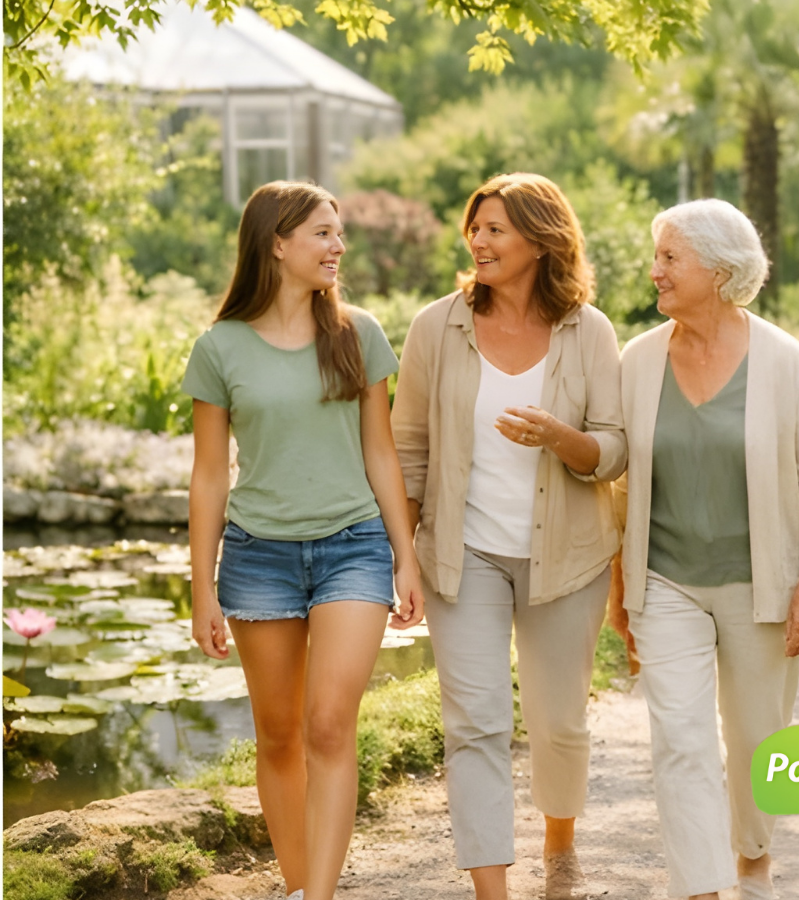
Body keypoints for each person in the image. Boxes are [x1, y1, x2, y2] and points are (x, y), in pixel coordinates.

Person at [185, 180, 425, 900]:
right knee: (281, 734)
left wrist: (404, 555)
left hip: (352, 546)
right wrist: (201, 588)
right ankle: (297, 886)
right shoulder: (219, 348)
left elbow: (381, 454)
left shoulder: (360, 333)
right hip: (259, 556)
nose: (338, 247)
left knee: (328, 724)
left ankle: (318, 897)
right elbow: (207, 479)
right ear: (277, 243)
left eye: (339, 232)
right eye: (323, 233)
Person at [391, 173, 626, 900]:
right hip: (464, 557)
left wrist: (562, 437)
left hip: (569, 557)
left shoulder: (588, 332)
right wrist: (402, 555)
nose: (479, 241)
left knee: (558, 724)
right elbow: (407, 449)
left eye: (497, 228)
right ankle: (492, 889)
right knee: (474, 724)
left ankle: (560, 841)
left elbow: (614, 448)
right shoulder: (437, 326)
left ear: (541, 241)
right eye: (476, 227)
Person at [609, 198, 799, 900]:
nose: (655, 271)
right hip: (667, 582)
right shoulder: (638, 361)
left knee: (755, 742)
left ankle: (752, 857)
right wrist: (622, 591)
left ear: (718, 269)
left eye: (669, 258)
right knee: (679, 739)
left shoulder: (782, 359)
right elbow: (624, 484)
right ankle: (703, 888)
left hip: (760, 584)